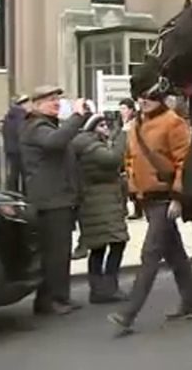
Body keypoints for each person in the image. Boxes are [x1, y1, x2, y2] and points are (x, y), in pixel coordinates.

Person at [108, 84, 192, 334]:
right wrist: (133, 190)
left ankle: (127, 314)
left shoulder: (173, 123)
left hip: (164, 199)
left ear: (160, 97)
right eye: (140, 96)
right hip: (147, 198)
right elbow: (130, 159)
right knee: (175, 254)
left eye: (149, 96)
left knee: (150, 254)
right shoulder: (136, 125)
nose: (144, 101)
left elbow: (186, 161)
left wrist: (178, 197)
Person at [21, 85, 89, 315]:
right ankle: (52, 300)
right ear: (37, 104)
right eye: (50, 99)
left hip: (59, 198)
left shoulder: (48, 126)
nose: (56, 103)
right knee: (55, 255)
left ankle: (57, 298)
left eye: (57, 98)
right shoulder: (36, 126)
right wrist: (78, 116)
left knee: (59, 253)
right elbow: (55, 142)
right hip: (50, 202)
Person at [72, 112, 130, 304]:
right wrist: (123, 134)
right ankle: (108, 287)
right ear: (92, 128)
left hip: (102, 201)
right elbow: (113, 159)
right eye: (101, 125)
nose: (106, 129)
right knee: (116, 242)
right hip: (100, 203)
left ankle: (98, 289)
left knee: (100, 246)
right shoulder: (90, 145)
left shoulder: (91, 143)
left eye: (106, 125)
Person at [3, 95, 31, 193]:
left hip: (10, 148)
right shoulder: (22, 116)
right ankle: (25, 194)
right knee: (25, 174)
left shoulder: (9, 116)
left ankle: (11, 192)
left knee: (13, 173)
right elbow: (23, 132)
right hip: (21, 149)